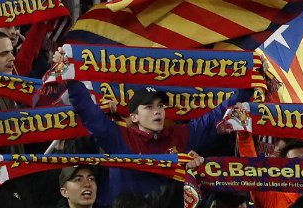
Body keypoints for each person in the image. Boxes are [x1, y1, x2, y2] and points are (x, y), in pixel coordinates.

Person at [64, 80, 250, 204]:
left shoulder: (181, 135)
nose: (157, 111)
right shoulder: (118, 136)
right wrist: (70, 78)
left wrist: (249, 84)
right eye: (149, 107)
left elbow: (218, 116)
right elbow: (88, 111)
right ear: (134, 116)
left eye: (160, 106)